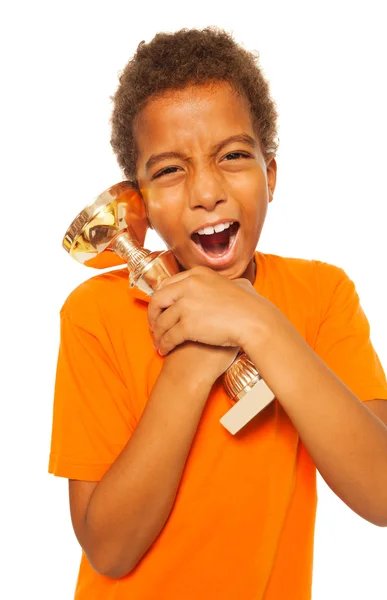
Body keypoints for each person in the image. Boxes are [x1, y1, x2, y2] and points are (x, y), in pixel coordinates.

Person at [48, 27, 387, 600]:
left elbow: (380, 493)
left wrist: (258, 322)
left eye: (232, 156)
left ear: (270, 174)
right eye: (169, 170)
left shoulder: (322, 294)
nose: (206, 191)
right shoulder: (97, 312)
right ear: (142, 207)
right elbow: (107, 548)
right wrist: (191, 364)